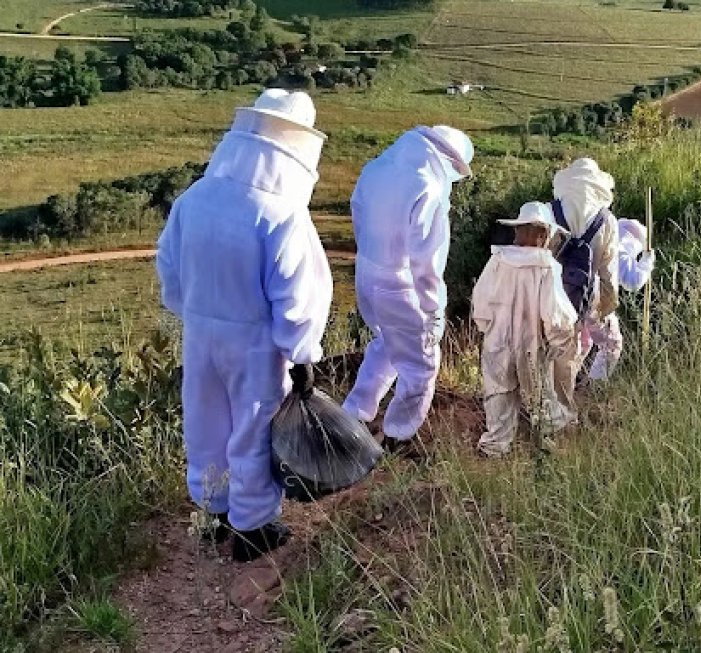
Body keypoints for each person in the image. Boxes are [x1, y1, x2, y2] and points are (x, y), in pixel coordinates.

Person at [156, 89, 333, 562]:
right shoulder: (280, 214)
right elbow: (298, 296)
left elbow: (168, 269)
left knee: (205, 419)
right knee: (253, 425)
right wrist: (302, 354)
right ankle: (253, 527)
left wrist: (194, 313)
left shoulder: (194, 197)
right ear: (297, 148)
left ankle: (213, 511)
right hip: (255, 343)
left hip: (199, 333)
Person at [342, 126, 474, 456]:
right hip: (399, 284)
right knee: (421, 363)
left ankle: (353, 414)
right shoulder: (427, 186)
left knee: (386, 343)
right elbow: (426, 263)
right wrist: (433, 315)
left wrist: (371, 257)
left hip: (367, 272)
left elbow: (357, 211)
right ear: (448, 160)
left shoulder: (375, 169)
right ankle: (398, 436)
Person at [472, 202, 578, 458]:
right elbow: (555, 315)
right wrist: (557, 341)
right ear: (543, 234)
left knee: (498, 393)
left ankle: (495, 448)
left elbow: (481, 302)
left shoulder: (497, 260)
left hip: (497, 339)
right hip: (532, 344)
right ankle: (546, 445)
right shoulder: (546, 268)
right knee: (540, 396)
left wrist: (487, 328)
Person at [550, 158, 620, 390]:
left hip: (551, 295)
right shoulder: (606, 220)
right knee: (611, 342)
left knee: (554, 349)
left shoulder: (552, 211)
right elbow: (608, 269)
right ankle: (592, 391)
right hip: (589, 294)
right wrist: (608, 303)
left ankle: (548, 399)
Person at [579, 218, 655, 381]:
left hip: (576, 297)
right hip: (596, 303)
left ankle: (567, 386)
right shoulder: (619, 250)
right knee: (611, 343)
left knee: (582, 343)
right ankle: (595, 388)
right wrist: (647, 261)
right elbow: (632, 281)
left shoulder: (601, 239)